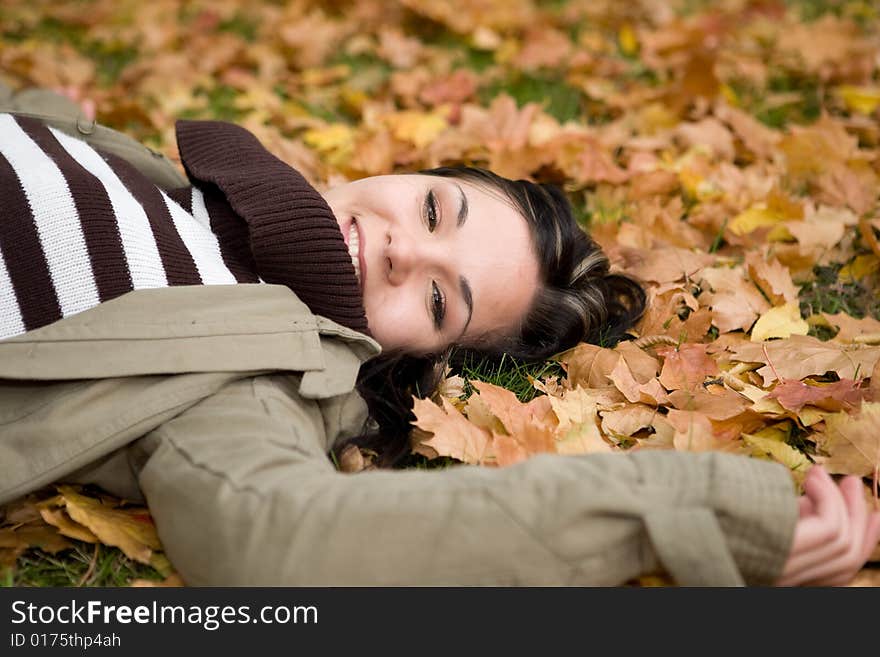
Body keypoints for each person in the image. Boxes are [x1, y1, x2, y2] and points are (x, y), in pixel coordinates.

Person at [0, 85, 877, 587]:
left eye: (437, 299)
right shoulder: (200, 186)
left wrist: (678, 509)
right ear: (404, 169)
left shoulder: (249, 384)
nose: (399, 248)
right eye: (431, 207)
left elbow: (285, 538)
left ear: (413, 356)